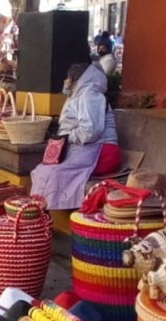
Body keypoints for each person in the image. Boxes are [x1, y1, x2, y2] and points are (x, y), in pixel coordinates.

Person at [30, 63, 121, 211]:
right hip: (86, 149)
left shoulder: (90, 95)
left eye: (68, 78)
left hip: (102, 152)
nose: (65, 81)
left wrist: (66, 137)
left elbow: (90, 131)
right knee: (41, 170)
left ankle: (41, 215)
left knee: (53, 173)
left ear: (74, 79)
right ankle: (40, 216)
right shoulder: (79, 95)